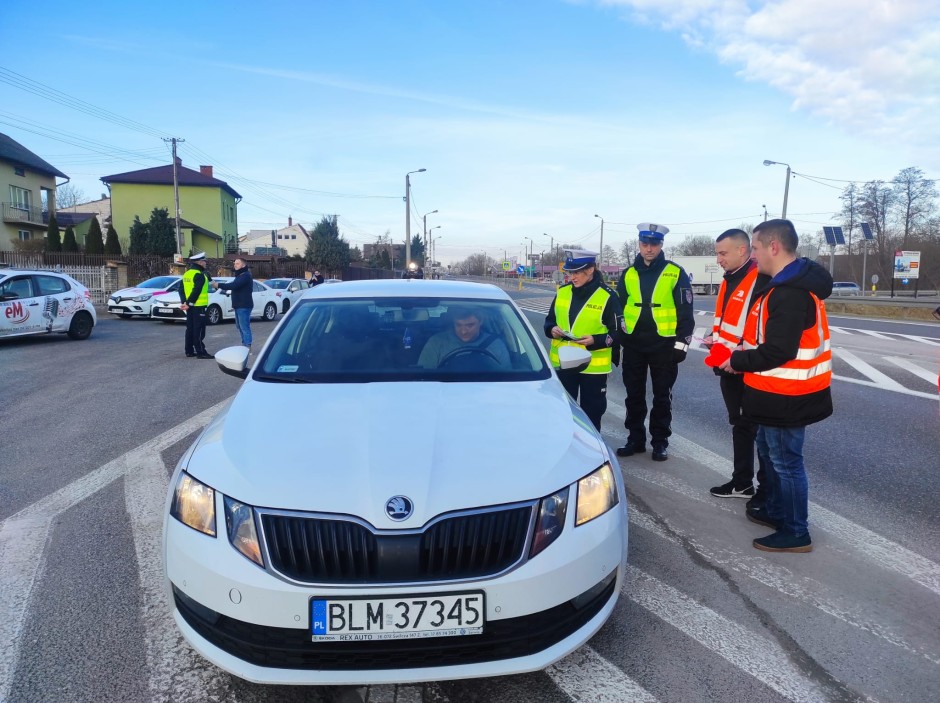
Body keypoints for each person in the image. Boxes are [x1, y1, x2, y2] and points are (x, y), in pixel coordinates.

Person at [719, 219, 833, 553]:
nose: (753, 256)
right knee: (770, 453)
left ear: (773, 247)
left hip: (789, 396)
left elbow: (779, 350)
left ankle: (797, 531)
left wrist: (737, 361)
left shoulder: (790, 292)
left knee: (787, 463)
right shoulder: (780, 284)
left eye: (754, 248)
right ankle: (776, 511)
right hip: (772, 394)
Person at [615, 223, 694, 461]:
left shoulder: (674, 272)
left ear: (661, 245)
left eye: (654, 244)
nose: (649, 249)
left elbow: (686, 311)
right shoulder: (628, 273)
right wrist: (617, 342)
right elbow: (618, 310)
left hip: (664, 345)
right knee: (633, 394)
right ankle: (635, 439)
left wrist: (682, 344)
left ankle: (660, 442)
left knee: (662, 395)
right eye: (645, 244)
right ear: (639, 244)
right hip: (634, 344)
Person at [706, 229, 771, 508]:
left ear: (742, 251)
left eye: (723, 253)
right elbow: (728, 323)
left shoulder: (760, 279)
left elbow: (762, 329)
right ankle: (742, 482)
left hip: (749, 369)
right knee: (740, 427)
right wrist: (715, 339)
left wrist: (739, 356)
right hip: (728, 366)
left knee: (759, 432)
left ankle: (764, 490)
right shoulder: (729, 279)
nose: (718, 259)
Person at [544, 249, 622, 431]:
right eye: (570, 272)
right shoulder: (562, 292)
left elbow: (620, 333)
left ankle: (593, 453)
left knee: (591, 414)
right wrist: (551, 329)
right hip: (563, 364)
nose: (573, 277)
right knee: (563, 411)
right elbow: (549, 321)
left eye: (577, 272)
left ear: (591, 270)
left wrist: (596, 340)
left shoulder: (608, 296)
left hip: (592, 368)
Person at [418, 307, 510, 369]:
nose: (463, 331)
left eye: (470, 325)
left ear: (481, 321)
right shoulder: (436, 343)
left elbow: (507, 380)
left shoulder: (496, 345)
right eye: (458, 325)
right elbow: (423, 377)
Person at [213, 258, 254, 349]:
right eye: (234, 263)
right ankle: (245, 344)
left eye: (237, 263)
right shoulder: (239, 276)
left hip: (244, 305)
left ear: (243, 265)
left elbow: (234, 286)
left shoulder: (245, 276)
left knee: (244, 327)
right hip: (238, 305)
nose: (235, 265)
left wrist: (219, 285)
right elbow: (232, 286)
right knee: (239, 326)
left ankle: (247, 346)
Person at [180, 252, 213, 359]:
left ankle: (189, 351)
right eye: (204, 261)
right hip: (198, 306)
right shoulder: (199, 275)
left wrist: (185, 302)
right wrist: (190, 303)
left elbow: (181, 290)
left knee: (190, 328)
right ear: (200, 262)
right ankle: (201, 352)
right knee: (199, 330)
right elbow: (196, 290)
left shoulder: (187, 274)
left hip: (190, 307)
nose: (205, 263)